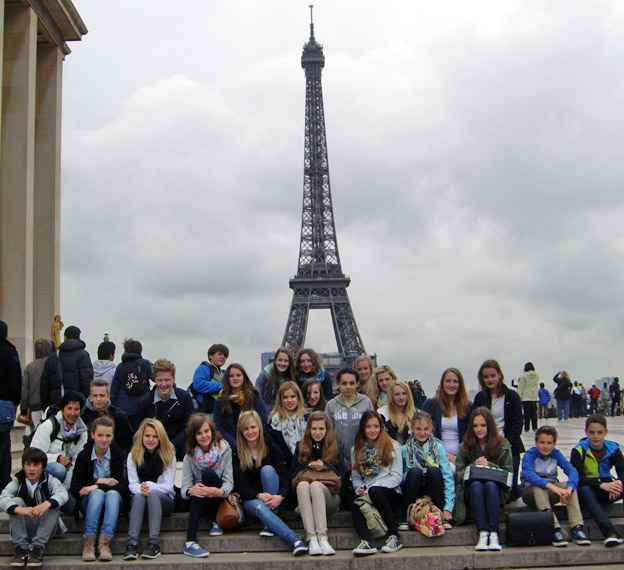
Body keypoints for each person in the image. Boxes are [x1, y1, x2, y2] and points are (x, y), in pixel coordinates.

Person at [233, 410, 308, 556]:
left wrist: (280, 496)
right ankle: (295, 539)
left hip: (275, 497)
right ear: (241, 432)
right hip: (252, 500)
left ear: (259, 428)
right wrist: (259, 495)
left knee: (267, 470)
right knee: (260, 507)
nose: (250, 432)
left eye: (253, 427)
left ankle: (270, 523)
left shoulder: (270, 447)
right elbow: (241, 485)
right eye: (246, 429)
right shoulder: (237, 452)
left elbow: (284, 476)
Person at [520, 425, 590, 547]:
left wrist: (569, 488)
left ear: (554, 443)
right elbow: (529, 475)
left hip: (552, 491)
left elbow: (571, 470)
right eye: (542, 442)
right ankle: (554, 529)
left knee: (570, 487)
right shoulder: (530, 455)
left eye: (549, 443)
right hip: (531, 491)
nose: (545, 446)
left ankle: (577, 527)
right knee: (539, 488)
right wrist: (552, 487)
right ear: (536, 442)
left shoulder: (556, 454)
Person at [71, 416, 129, 561]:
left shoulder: (119, 456)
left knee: (111, 494)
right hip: (90, 503)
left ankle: (104, 544)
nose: (104, 439)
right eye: (100, 435)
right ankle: (89, 543)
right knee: (97, 494)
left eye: (108, 435)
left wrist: (96, 485)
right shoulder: (83, 456)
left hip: (113, 504)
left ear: (113, 436)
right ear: (92, 435)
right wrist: (100, 482)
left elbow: (124, 487)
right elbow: (75, 488)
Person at [454, 407, 512, 551]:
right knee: (477, 485)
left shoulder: (503, 444)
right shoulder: (465, 446)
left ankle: (493, 532)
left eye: (483, 425)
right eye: (475, 425)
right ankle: (482, 532)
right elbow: (458, 473)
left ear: (490, 426)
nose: (479, 429)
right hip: (472, 491)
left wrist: (489, 466)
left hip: (496, 490)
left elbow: (508, 473)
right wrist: (473, 467)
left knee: (490, 485)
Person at [0, 447, 68, 567]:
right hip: (25, 525)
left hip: (46, 526)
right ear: (23, 466)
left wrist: (46, 504)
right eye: (28, 465)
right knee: (16, 501)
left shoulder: (50, 480)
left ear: (42, 467)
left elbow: (63, 494)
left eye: (36, 465)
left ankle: (36, 549)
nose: (31, 469)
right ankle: (20, 549)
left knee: (54, 504)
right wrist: (18, 508)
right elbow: (3, 497)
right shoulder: (18, 481)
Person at [350, 410, 403, 556]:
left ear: (381, 427)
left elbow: (397, 476)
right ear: (363, 428)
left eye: (376, 426)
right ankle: (366, 541)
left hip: (389, 493)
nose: (372, 430)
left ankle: (395, 536)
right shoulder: (356, 449)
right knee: (355, 502)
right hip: (367, 493)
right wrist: (360, 489)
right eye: (368, 427)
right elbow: (355, 477)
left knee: (375, 491)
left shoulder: (393, 446)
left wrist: (373, 487)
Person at [181, 413, 233, 558]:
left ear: (212, 431)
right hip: (199, 501)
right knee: (200, 487)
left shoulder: (225, 450)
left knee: (209, 475)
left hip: (218, 498)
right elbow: (184, 490)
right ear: (194, 436)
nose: (204, 436)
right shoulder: (189, 457)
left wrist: (220, 491)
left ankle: (216, 521)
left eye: (206, 431)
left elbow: (229, 481)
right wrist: (192, 490)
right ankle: (190, 542)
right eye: (199, 433)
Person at [292, 412, 344, 556]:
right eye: (314, 429)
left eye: (321, 429)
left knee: (315, 486)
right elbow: (293, 475)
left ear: (327, 430)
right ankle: (312, 537)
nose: (317, 432)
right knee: (303, 485)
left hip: (330, 497)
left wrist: (326, 466)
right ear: (309, 430)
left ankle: (322, 536)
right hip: (307, 495)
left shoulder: (335, 446)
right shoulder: (301, 446)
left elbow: (343, 478)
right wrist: (308, 465)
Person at [124, 418, 176, 560]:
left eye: (155, 436)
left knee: (153, 494)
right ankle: (132, 543)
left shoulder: (169, 454)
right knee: (139, 496)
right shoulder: (133, 455)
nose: (151, 440)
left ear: (160, 438)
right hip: (141, 499)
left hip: (163, 500)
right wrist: (142, 488)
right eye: (147, 436)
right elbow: (132, 483)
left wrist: (150, 486)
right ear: (142, 436)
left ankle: (153, 543)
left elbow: (168, 486)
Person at [472, 359, 524, 499]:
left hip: (508, 445)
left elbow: (518, 422)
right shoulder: (480, 398)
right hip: (486, 445)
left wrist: (506, 441)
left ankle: (524, 485)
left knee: (510, 492)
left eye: (493, 376)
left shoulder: (512, 396)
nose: (490, 379)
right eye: (486, 377)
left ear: (499, 375)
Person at [30, 391, 88, 513]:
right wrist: (57, 458)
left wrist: (65, 490)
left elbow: (77, 462)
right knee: (59, 469)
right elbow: (33, 455)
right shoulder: (48, 426)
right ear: (62, 410)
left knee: (71, 508)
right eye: (69, 408)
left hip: (68, 477)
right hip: (48, 472)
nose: (72, 413)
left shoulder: (83, 432)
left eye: (76, 409)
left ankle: (57, 499)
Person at [570, 414, 624, 546]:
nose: (596, 436)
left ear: (605, 432)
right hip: (589, 488)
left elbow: (622, 471)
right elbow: (579, 478)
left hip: (609, 487)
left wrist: (618, 483)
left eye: (600, 432)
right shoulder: (578, 450)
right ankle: (609, 532)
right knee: (584, 490)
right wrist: (602, 485)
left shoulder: (613, 449)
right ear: (586, 432)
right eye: (592, 432)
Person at [401, 411, 454, 530]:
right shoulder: (404, 449)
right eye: (418, 429)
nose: (422, 432)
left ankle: (440, 513)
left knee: (434, 471)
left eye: (426, 429)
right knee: (414, 472)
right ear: (412, 428)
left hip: (433, 485)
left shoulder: (438, 447)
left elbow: (447, 476)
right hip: (414, 486)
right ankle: (407, 515)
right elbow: (401, 475)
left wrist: (448, 507)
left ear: (431, 428)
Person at [135, 358, 194, 460]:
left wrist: (172, 445)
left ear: (174, 379)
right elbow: (140, 430)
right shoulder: (144, 403)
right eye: (160, 380)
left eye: (167, 380)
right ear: (154, 380)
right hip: (153, 445)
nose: (163, 384)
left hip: (179, 446)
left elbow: (189, 427)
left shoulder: (184, 398)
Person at [422, 368, 470, 473]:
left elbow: (471, 435)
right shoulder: (431, 405)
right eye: (448, 381)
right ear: (442, 383)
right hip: (437, 456)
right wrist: (443, 454)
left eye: (455, 381)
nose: (451, 385)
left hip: (462, 457)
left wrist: (459, 457)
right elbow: (423, 434)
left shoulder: (468, 407)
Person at [213, 363, 269, 452]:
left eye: (238, 375)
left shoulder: (254, 396)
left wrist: (254, 441)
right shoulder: (220, 401)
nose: (235, 378)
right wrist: (236, 445)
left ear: (244, 377)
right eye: (232, 376)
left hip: (255, 445)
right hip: (231, 448)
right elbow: (218, 427)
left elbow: (264, 419)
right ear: (227, 379)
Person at [325, 367, 374, 467]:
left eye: (352, 383)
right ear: (338, 384)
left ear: (357, 383)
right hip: (338, 457)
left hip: (363, 455)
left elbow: (373, 427)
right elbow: (328, 433)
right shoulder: (331, 405)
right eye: (344, 383)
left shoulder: (366, 402)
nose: (348, 387)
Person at [40, 324, 93, 409]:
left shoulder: (53, 357)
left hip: (56, 403)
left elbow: (44, 385)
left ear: (65, 337)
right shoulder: (83, 355)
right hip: (77, 404)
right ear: (79, 337)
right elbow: (87, 383)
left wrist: (45, 407)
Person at [110, 338, 154, 429]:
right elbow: (157, 377)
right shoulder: (146, 363)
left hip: (124, 406)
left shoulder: (120, 367)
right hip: (143, 404)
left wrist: (114, 407)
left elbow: (114, 390)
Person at [81, 379, 134, 454]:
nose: (98, 399)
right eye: (95, 395)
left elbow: (129, 442)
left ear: (108, 397)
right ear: (90, 397)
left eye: (102, 395)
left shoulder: (119, 415)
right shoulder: (82, 416)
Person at [0, 320, 22, 490]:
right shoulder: (9, 351)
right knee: (4, 445)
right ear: (6, 334)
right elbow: (16, 381)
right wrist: (15, 402)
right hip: (4, 405)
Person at [267, 381, 308, 466]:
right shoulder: (274, 422)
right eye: (285, 397)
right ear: (280, 400)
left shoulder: (307, 418)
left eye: (292, 396)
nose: (289, 400)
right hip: (283, 466)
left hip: (305, 465)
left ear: (298, 398)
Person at [18, 338, 52, 432]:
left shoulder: (30, 367)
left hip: (34, 408)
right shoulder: (52, 363)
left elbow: (25, 390)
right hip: (50, 406)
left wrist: (24, 409)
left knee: (36, 434)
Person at [190, 343, 229, 414]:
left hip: (220, 412)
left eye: (225, 356)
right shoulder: (203, 368)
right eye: (220, 354)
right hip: (206, 412)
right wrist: (221, 387)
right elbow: (198, 384)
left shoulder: (224, 373)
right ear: (210, 356)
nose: (223, 357)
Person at [378, 380, 415, 444]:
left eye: (404, 393)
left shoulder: (416, 414)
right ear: (391, 396)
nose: (401, 397)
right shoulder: (381, 414)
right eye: (397, 394)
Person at [516, 362, 539, 431]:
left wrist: (519, 396)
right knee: (534, 412)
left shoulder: (524, 376)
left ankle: (527, 427)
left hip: (526, 396)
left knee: (527, 413)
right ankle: (535, 427)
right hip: (534, 396)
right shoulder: (536, 375)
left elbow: (521, 387)